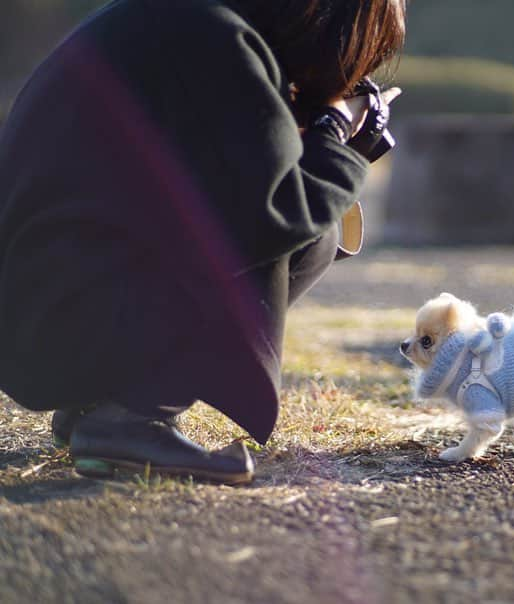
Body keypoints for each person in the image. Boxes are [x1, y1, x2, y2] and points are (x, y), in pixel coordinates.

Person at [0, 0, 405, 484]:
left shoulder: (180, 20)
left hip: (36, 321)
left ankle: (98, 405)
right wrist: (335, 132)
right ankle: (133, 417)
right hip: (63, 319)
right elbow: (278, 211)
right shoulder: (216, 38)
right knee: (313, 235)